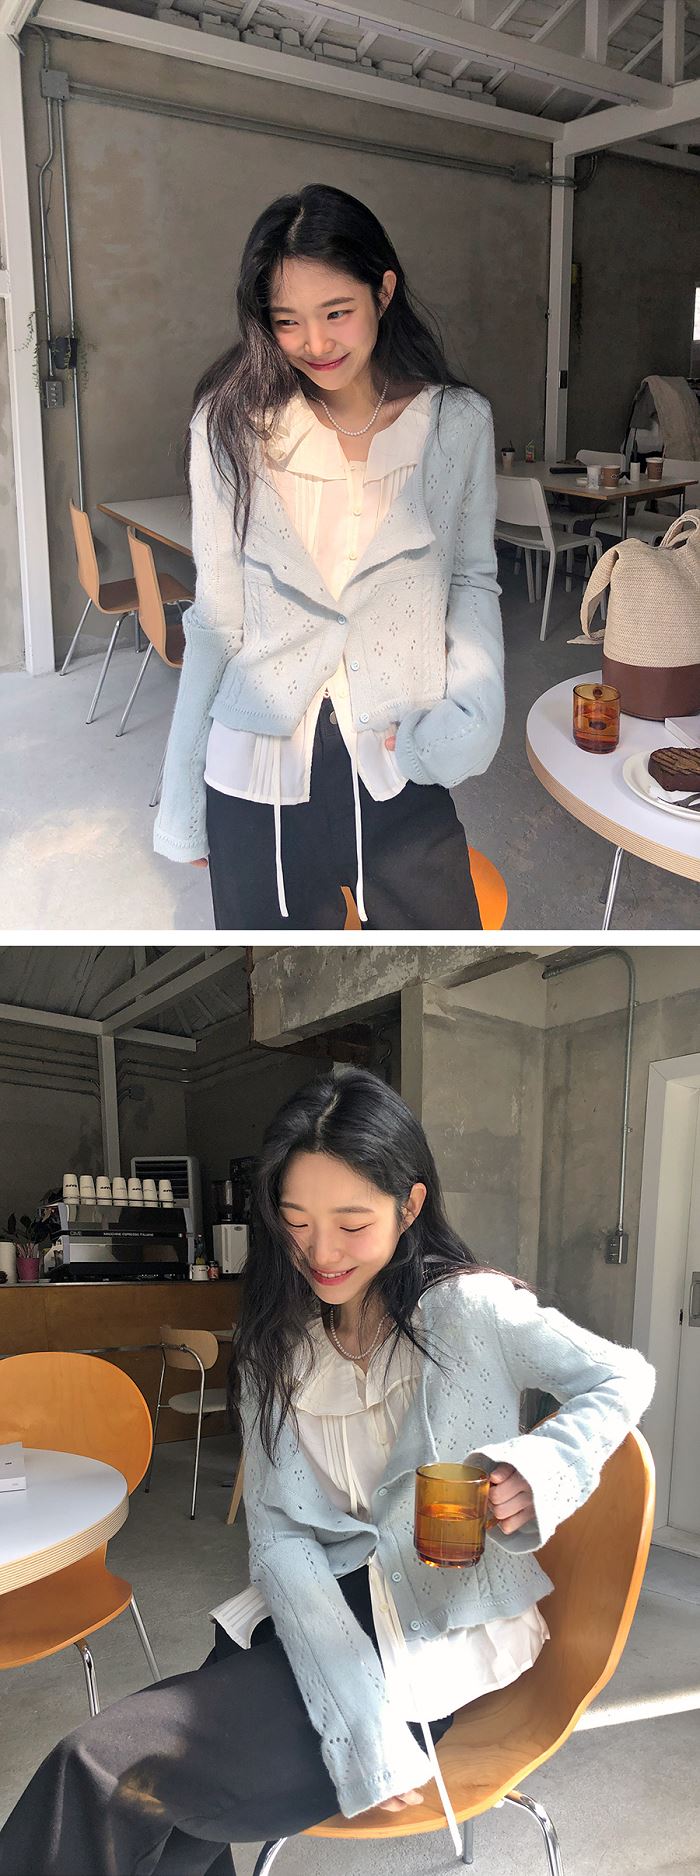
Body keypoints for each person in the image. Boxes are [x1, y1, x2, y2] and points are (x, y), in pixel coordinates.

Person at [0, 1070, 655, 1876]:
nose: (321, 1252)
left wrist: (539, 1465)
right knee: (161, 1819)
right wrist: (355, 1715)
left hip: (427, 1641)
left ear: (409, 1206)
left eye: (351, 1223)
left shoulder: (471, 1313)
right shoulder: (279, 1344)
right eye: (297, 1222)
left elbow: (620, 1377)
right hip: (307, 1614)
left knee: (102, 1773)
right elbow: (279, 1535)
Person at [153, 183, 505, 930]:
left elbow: (471, 579)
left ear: (384, 290)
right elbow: (215, 621)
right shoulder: (230, 426)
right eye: (288, 321)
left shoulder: (457, 424)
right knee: (281, 982)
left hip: (399, 755)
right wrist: (182, 798)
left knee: (447, 964)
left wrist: (476, 715)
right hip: (256, 776)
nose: (315, 343)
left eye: (336, 312)